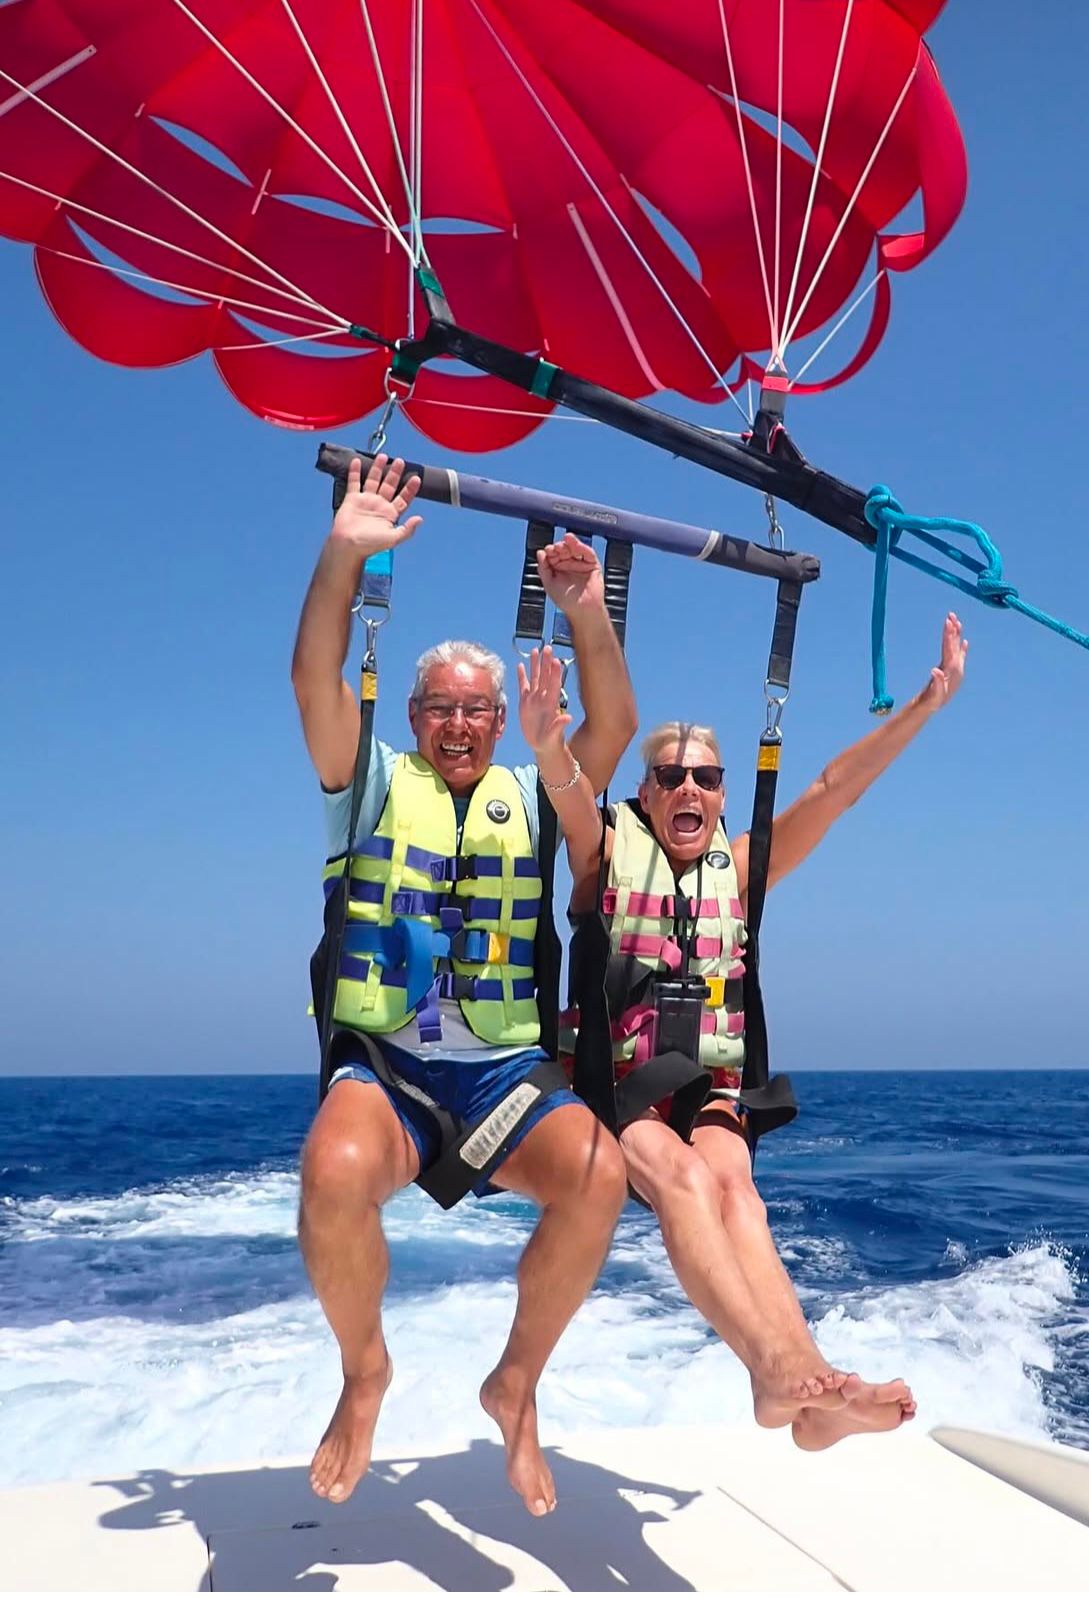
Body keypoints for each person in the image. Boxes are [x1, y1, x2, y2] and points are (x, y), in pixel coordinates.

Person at [291, 454, 634, 1516]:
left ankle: (516, 1384)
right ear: (412, 713)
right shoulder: (368, 782)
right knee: (333, 1170)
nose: (456, 723)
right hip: (388, 1067)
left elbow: (611, 729)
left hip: (503, 1082)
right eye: (438, 706)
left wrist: (586, 612)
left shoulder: (537, 791)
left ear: (499, 720)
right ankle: (365, 1372)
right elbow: (313, 676)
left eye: (475, 710)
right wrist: (344, 550)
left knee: (599, 1174)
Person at [558, 614, 970, 1449]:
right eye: (670, 776)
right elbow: (566, 783)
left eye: (706, 778)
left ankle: (803, 1387)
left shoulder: (738, 872)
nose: (689, 790)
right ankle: (781, 1379)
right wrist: (550, 720)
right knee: (679, 1179)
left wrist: (924, 703)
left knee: (736, 1190)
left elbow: (833, 790)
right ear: (645, 792)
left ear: (719, 791)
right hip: (613, 1084)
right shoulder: (602, 851)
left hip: (706, 1082)